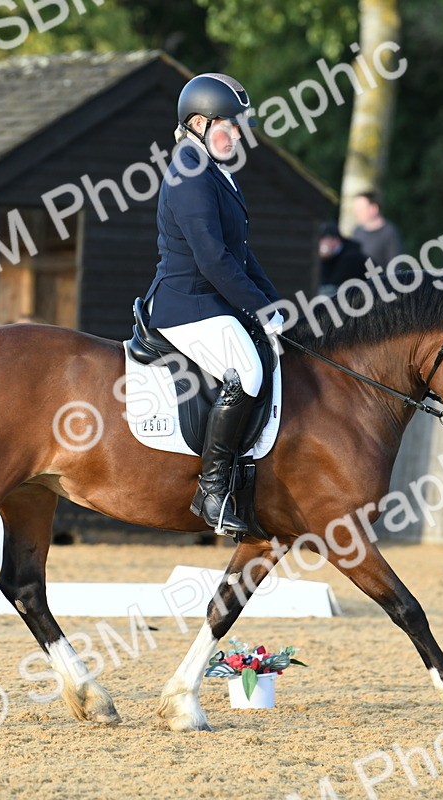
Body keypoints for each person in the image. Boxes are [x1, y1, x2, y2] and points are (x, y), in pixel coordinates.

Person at [142, 72, 284, 536]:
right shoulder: (189, 171)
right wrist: (260, 311)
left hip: (210, 301)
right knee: (248, 372)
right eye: (230, 125)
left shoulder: (214, 170)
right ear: (199, 123)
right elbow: (213, 261)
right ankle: (213, 489)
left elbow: (243, 253)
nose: (239, 135)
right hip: (187, 304)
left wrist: (277, 304)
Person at [350, 190, 403, 270]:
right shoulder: (357, 231)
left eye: (360, 209)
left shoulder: (389, 233)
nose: (356, 213)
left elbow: (395, 269)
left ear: (374, 209)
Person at [317, 222, 369, 295]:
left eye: (323, 240)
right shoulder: (322, 258)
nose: (319, 243)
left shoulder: (351, 257)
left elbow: (335, 288)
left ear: (335, 241)